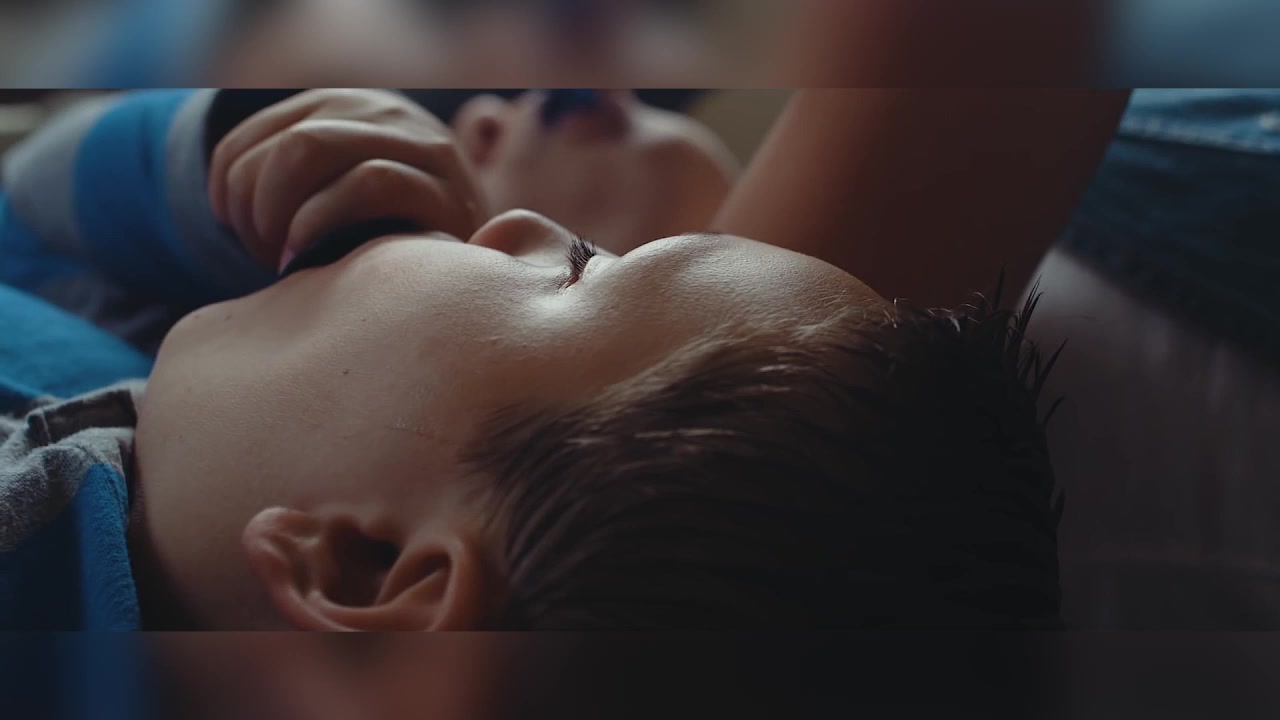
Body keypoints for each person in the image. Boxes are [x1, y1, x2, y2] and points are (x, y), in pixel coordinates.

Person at [0, 86, 1125, 630]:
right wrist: (210, 179)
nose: (514, 223)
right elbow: (24, 223)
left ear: (363, 567)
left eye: (579, 269)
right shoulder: (188, 435)